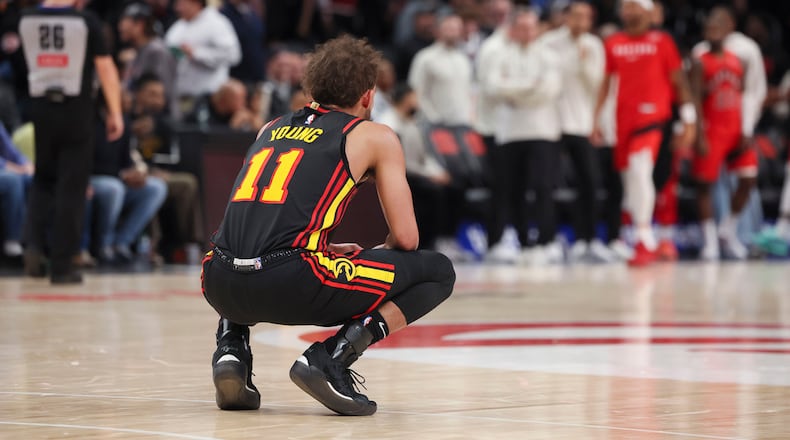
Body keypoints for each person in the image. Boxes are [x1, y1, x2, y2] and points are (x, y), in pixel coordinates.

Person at [202, 36, 455, 416]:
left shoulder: (269, 127)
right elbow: (406, 238)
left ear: (312, 88)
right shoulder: (373, 134)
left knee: (245, 249)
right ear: (368, 96)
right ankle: (332, 358)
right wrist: (379, 252)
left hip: (218, 280)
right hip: (290, 280)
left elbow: (264, 219)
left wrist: (317, 249)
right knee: (437, 271)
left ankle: (231, 349)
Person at [19, 0, 123, 283]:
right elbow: (105, 68)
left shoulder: (25, 18)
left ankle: (34, 246)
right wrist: (114, 111)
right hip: (75, 109)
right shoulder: (85, 21)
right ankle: (63, 265)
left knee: (43, 179)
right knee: (72, 185)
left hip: (39, 106)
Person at [593, 0, 696, 267]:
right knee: (632, 182)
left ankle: (644, 238)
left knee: (641, 171)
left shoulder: (662, 42)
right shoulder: (613, 43)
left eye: (634, 6)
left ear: (647, 11)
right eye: (625, 7)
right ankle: (642, 235)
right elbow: (605, 84)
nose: (629, 11)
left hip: (653, 118)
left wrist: (689, 120)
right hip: (622, 122)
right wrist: (595, 120)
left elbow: (679, 82)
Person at [484, 7, 563, 265]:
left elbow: (550, 89)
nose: (527, 32)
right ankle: (522, 241)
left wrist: (513, 91)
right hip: (509, 132)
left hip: (543, 130)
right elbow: (492, 87)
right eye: (522, 27)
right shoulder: (500, 53)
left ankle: (546, 241)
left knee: (543, 188)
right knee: (511, 189)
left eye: (531, 27)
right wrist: (530, 87)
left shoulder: (550, 55)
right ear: (514, 29)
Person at [543, 1, 611, 263]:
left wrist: (583, 64)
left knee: (590, 183)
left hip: (582, 123)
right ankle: (548, 241)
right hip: (552, 124)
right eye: (577, 15)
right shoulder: (549, 42)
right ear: (566, 17)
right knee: (547, 184)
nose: (581, 20)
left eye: (586, 16)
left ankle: (588, 240)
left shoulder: (594, 46)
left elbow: (598, 85)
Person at [690, 13, 757, 260]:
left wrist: (746, 129)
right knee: (704, 185)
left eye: (717, 27)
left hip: (736, 129)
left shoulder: (739, 60)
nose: (712, 31)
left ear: (728, 30)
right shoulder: (699, 61)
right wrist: (698, 134)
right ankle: (710, 242)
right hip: (711, 130)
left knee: (748, 178)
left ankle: (727, 230)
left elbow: (746, 96)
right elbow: (694, 100)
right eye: (708, 28)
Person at [164, 0, 241, 116]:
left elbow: (233, 55)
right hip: (180, 98)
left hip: (210, 99)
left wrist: (197, 53)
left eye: (181, 3)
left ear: (196, 3)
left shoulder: (217, 23)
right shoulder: (178, 27)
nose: (177, 8)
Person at [408, 13, 473, 127]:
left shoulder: (463, 59)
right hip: (436, 125)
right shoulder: (425, 58)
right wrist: (433, 118)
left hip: (463, 122)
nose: (453, 32)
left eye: (456, 28)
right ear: (437, 30)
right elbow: (416, 91)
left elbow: (469, 90)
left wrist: (471, 116)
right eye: (449, 28)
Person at [117, 2, 177, 117]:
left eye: (124, 21)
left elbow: (164, 94)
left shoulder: (157, 51)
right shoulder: (136, 51)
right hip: (139, 117)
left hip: (159, 122)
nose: (120, 27)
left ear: (139, 24)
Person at [0, 123, 32, 258]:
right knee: (12, 180)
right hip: (5, 171)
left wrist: (26, 164)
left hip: (7, 170)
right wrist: (10, 167)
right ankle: (13, 239)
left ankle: (37, 242)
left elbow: (12, 151)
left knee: (34, 179)